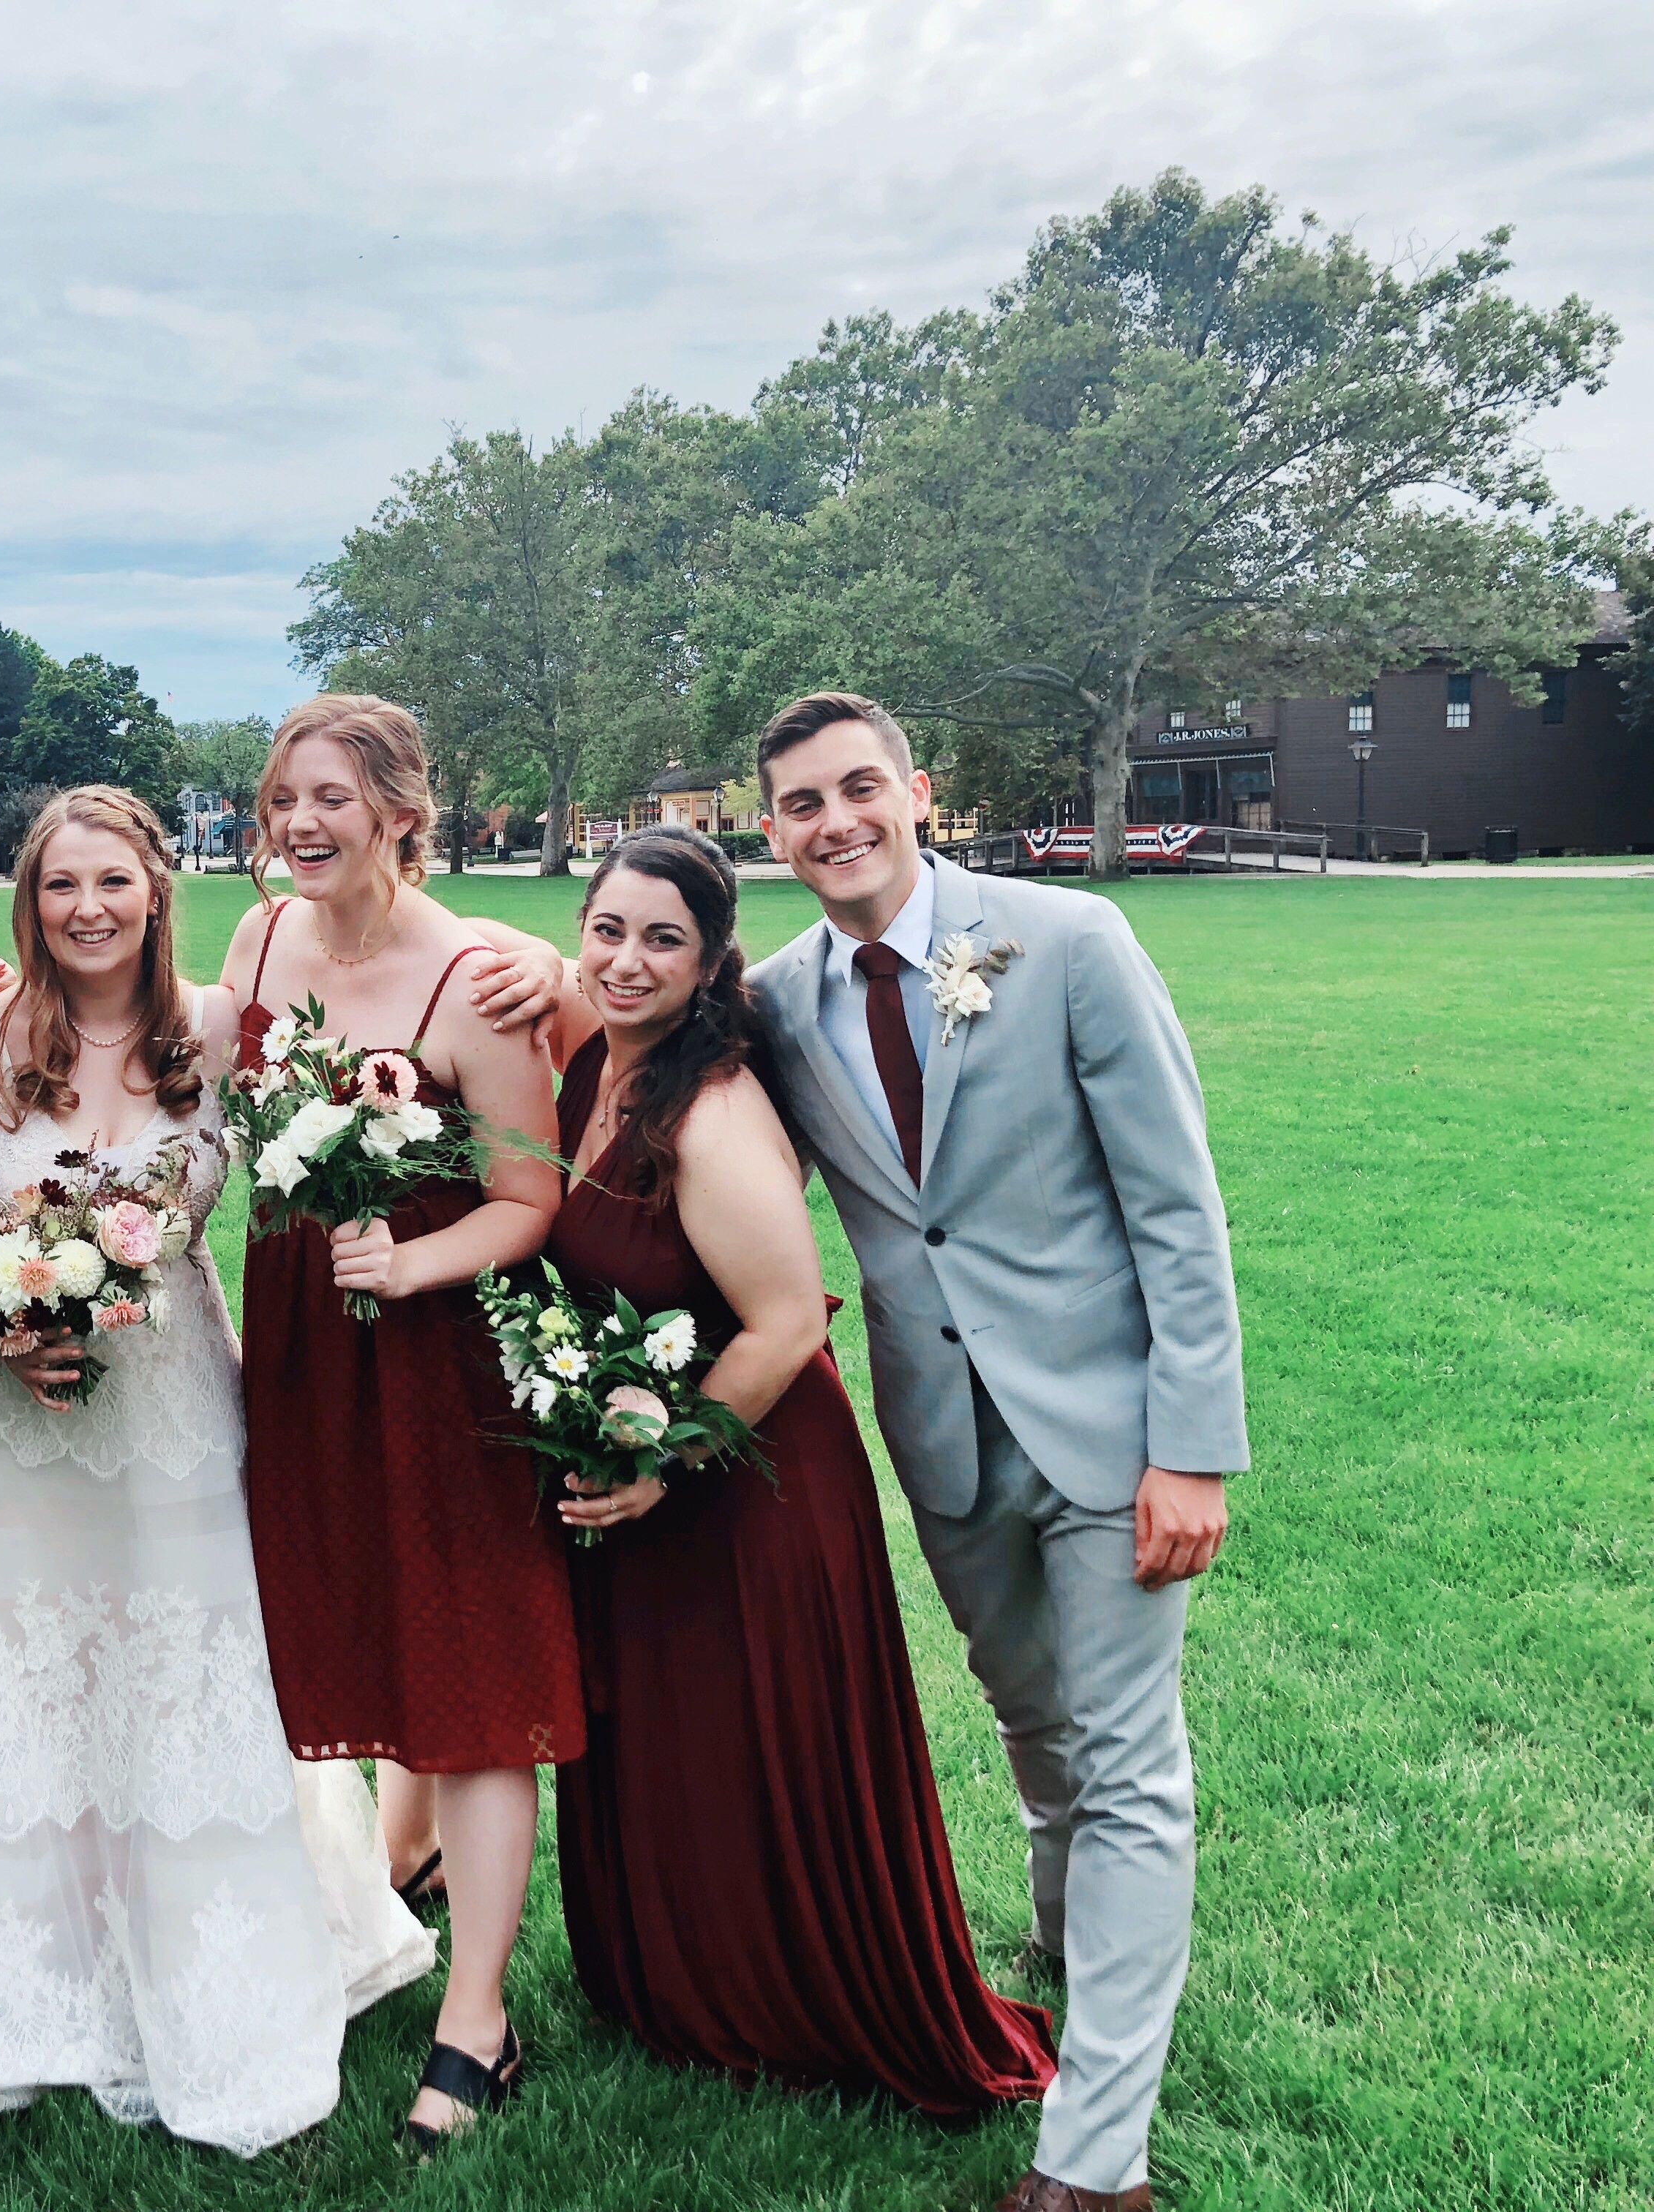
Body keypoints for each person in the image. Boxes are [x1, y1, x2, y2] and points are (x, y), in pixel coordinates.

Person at [0, 787, 434, 2155]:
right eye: (61, 885)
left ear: (157, 882)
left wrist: (516, 972)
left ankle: (218, 1987)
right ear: (29, 896)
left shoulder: (226, 1028)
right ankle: (18, 2004)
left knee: (186, 1678)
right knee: (17, 1687)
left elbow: (385, 1002)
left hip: (172, 1409)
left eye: (112, 880)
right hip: (8, 1438)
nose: (88, 909)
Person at [745, 693, 1246, 2212]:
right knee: (1033, 1726)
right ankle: (1072, 1937)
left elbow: (1177, 1202)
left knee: (1129, 1763)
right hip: (946, 1441)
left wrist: (1194, 1452)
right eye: (799, 805)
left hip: (1112, 1428)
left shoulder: (1066, 940)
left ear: (918, 790)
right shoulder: (773, 1001)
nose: (834, 823)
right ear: (769, 830)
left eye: (857, 789)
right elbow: (637, 1045)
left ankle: (1097, 2163)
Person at [535, 824, 1058, 2118]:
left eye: (665, 940)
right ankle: (678, 1976)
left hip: (751, 1475)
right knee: (671, 1737)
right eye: (609, 930)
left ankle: (796, 1992)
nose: (627, 959)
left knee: (757, 1744)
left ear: (716, 962)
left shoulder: (708, 1107)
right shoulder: (589, 1060)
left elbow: (780, 1321)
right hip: (650, 1444)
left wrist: (664, 1461)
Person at [217, 695, 570, 2157]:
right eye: (284, 799)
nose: (303, 825)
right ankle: (393, 1881)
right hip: (307, 1341)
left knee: (477, 1674)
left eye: (333, 800)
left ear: (403, 817)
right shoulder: (255, 944)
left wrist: (415, 1262)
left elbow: (532, 1191)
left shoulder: (478, 979)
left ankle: (478, 2018)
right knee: (349, 1629)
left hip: (440, 1356)